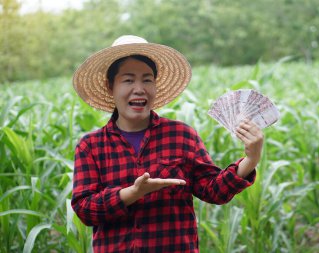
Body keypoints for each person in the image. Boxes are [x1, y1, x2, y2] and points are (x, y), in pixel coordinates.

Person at [71, 35, 263, 253]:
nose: (139, 88)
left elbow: (213, 191)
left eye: (147, 79)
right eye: (128, 80)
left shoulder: (181, 136)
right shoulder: (91, 146)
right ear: (110, 86)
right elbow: (84, 209)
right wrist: (131, 193)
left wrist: (251, 159)